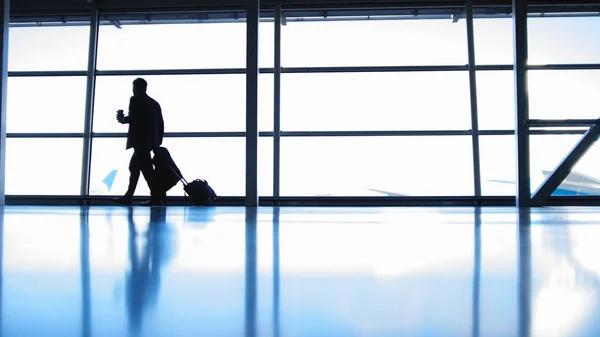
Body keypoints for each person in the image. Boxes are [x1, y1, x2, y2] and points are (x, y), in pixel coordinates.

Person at [114, 78, 165, 206]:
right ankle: (132, 196)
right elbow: (160, 124)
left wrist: (122, 119)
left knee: (144, 170)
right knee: (136, 168)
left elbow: (134, 119)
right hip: (149, 143)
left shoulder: (135, 100)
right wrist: (157, 142)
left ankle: (155, 197)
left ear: (136, 88)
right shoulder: (154, 103)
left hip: (140, 142)